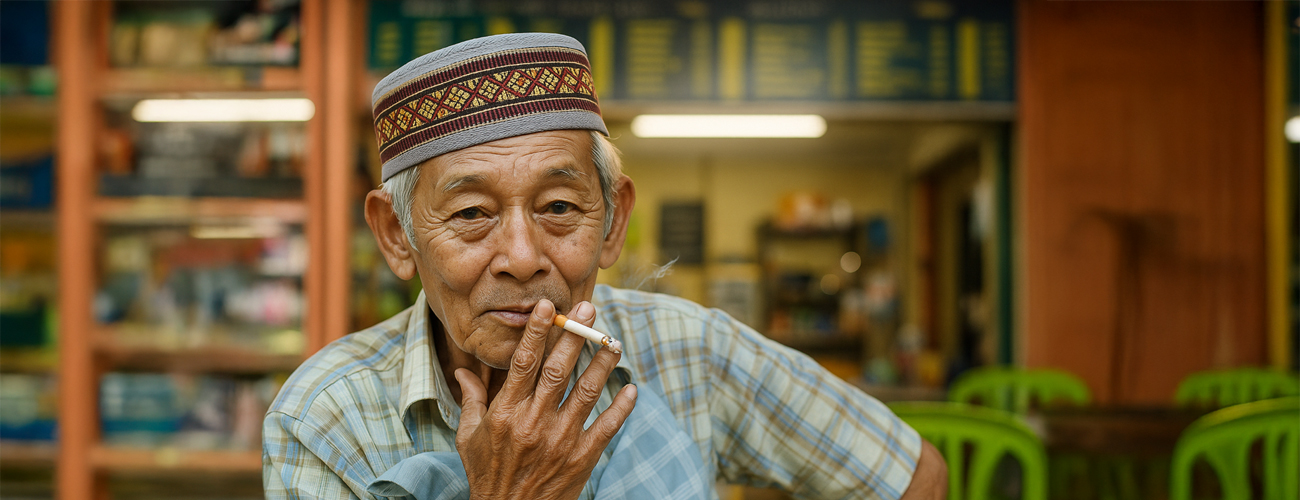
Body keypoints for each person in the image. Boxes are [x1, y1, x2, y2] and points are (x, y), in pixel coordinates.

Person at [263, 33, 946, 500]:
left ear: (613, 221)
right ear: (397, 234)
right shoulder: (325, 418)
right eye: (471, 215)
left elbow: (914, 476)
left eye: (559, 206)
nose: (525, 258)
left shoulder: (690, 350)